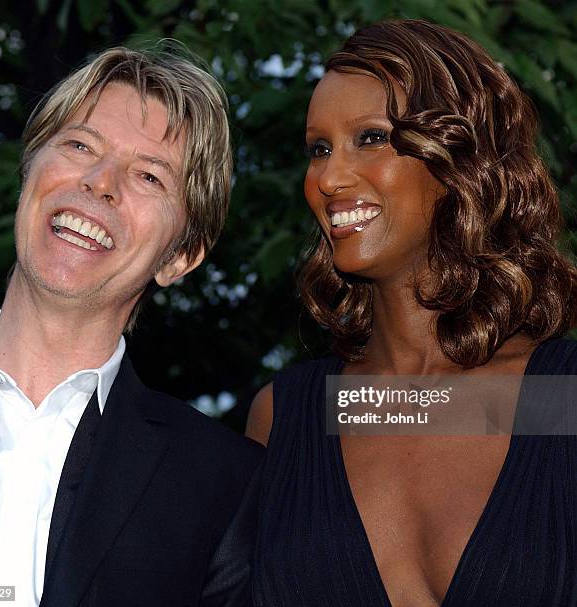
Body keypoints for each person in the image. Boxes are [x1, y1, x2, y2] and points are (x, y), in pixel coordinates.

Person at [247, 19, 577, 607]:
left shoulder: (563, 397)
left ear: (458, 157)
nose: (329, 177)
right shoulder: (289, 416)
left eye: (370, 138)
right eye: (318, 149)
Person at [0, 46, 263, 607]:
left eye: (149, 176)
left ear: (181, 257)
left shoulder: (224, 488)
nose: (101, 183)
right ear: (29, 172)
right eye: (80, 146)